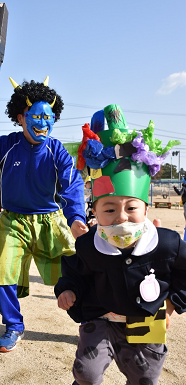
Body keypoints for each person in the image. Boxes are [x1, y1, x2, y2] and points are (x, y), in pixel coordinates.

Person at [55, 104, 186, 385]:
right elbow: (75, 272)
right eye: (110, 209)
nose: (121, 216)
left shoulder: (166, 244)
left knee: (145, 376)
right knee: (86, 373)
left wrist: (172, 304)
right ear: (96, 213)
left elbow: (185, 274)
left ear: (146, 209)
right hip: (100, 318)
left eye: (131, 208)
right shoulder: (90, 245)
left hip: (145, 321)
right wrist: (67, 289)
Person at [0, 76, 87, 352]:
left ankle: (90, 323)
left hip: (50, 221)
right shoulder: (6, 145)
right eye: (36, 116)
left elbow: (73, 186)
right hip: (11, 221)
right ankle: (14, 325)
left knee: (82, 269)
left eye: (48, 116)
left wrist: (76, 218)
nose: (43, 122)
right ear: (20, 116)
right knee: (0, 273)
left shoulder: (58, 151)